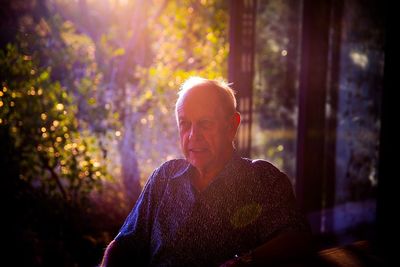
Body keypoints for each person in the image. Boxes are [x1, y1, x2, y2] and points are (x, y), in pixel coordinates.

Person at [100, 77, 313, 267]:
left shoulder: (263, 180)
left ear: (232, 125)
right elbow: (123, 245)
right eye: (185, 124)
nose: (193, 135)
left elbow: (297, 238)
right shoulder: (164, 177)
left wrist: (244, 262)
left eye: (205, 124)